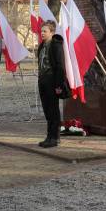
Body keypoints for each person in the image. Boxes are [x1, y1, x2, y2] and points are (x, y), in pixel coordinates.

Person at [37, 20, 66, 148]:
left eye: (45, 31)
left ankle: (55, 137)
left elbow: (60, 66)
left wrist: (59, 85)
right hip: (42, 80)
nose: (42, 33)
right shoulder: (42, 45)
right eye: (41, 31)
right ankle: (49, 136)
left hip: (52, 81)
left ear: (52, 32)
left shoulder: (55, 45)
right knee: (47, 110)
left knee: (53, 110)